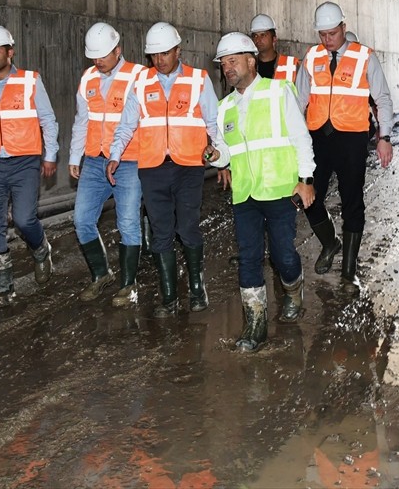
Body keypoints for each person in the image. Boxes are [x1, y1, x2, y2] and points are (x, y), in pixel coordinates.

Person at [208, 32, 317, 352]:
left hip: (280, 190)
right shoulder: (225, 105)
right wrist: (216, 156)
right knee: (249, 258)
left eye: (233, 61)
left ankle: (293, 290)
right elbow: (228, 153)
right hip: (245, 195)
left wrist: (306, 179)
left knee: (284, 256)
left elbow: (301, 137)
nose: (227, 68)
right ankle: (254, 324)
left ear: (251, 61)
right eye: (223, 63)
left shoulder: (279, 91)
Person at [108, 21, 222, 317]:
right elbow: (126, 125)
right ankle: (169, 296)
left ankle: (197, 288)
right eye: (153, 56)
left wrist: (220, 153)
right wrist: (115, 155)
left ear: (177, 50)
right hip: (153, 169)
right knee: (160, 234)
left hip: (189, 168)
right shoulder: (142, 83)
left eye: (164, 54)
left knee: (187, 228)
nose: (158, 60)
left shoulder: (199, 80)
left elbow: (214, 123)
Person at [294, 1, 395, 292]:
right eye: (322, 35)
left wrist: (384, 137)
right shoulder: (312, 57)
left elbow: (383, 99)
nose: (327, 40)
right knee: (307, 198)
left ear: (343, 27)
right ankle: (330, 243)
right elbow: (298, 101)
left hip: (351, 139)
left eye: (332, 34)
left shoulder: (364, 57)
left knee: (352, 202)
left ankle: (349, 272)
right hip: (318, 141)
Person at [0, 25, 59, 302]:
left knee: (24, 218)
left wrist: (50, 154)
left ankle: (41, 250)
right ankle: (5, 288)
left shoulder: (30, 81)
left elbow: (47, 120)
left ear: (10, 52)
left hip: (24, 163)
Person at [69, 22, 146, 306]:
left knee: (127, 222)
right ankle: (102, 274)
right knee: (82, 220)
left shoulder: (138, 76)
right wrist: (75, 155)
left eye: (102, 55)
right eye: (94, 56)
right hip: (94, 161)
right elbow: (81, 120)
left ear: (118, 50)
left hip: (129, 161)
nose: (97, 61)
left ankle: (128, 284)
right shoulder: (87, 78)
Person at [249, 13, 298, 81]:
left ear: (274, 39)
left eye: (263, 35)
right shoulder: (248, 66)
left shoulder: (291, 65)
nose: (258, 40)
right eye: (255, 36)